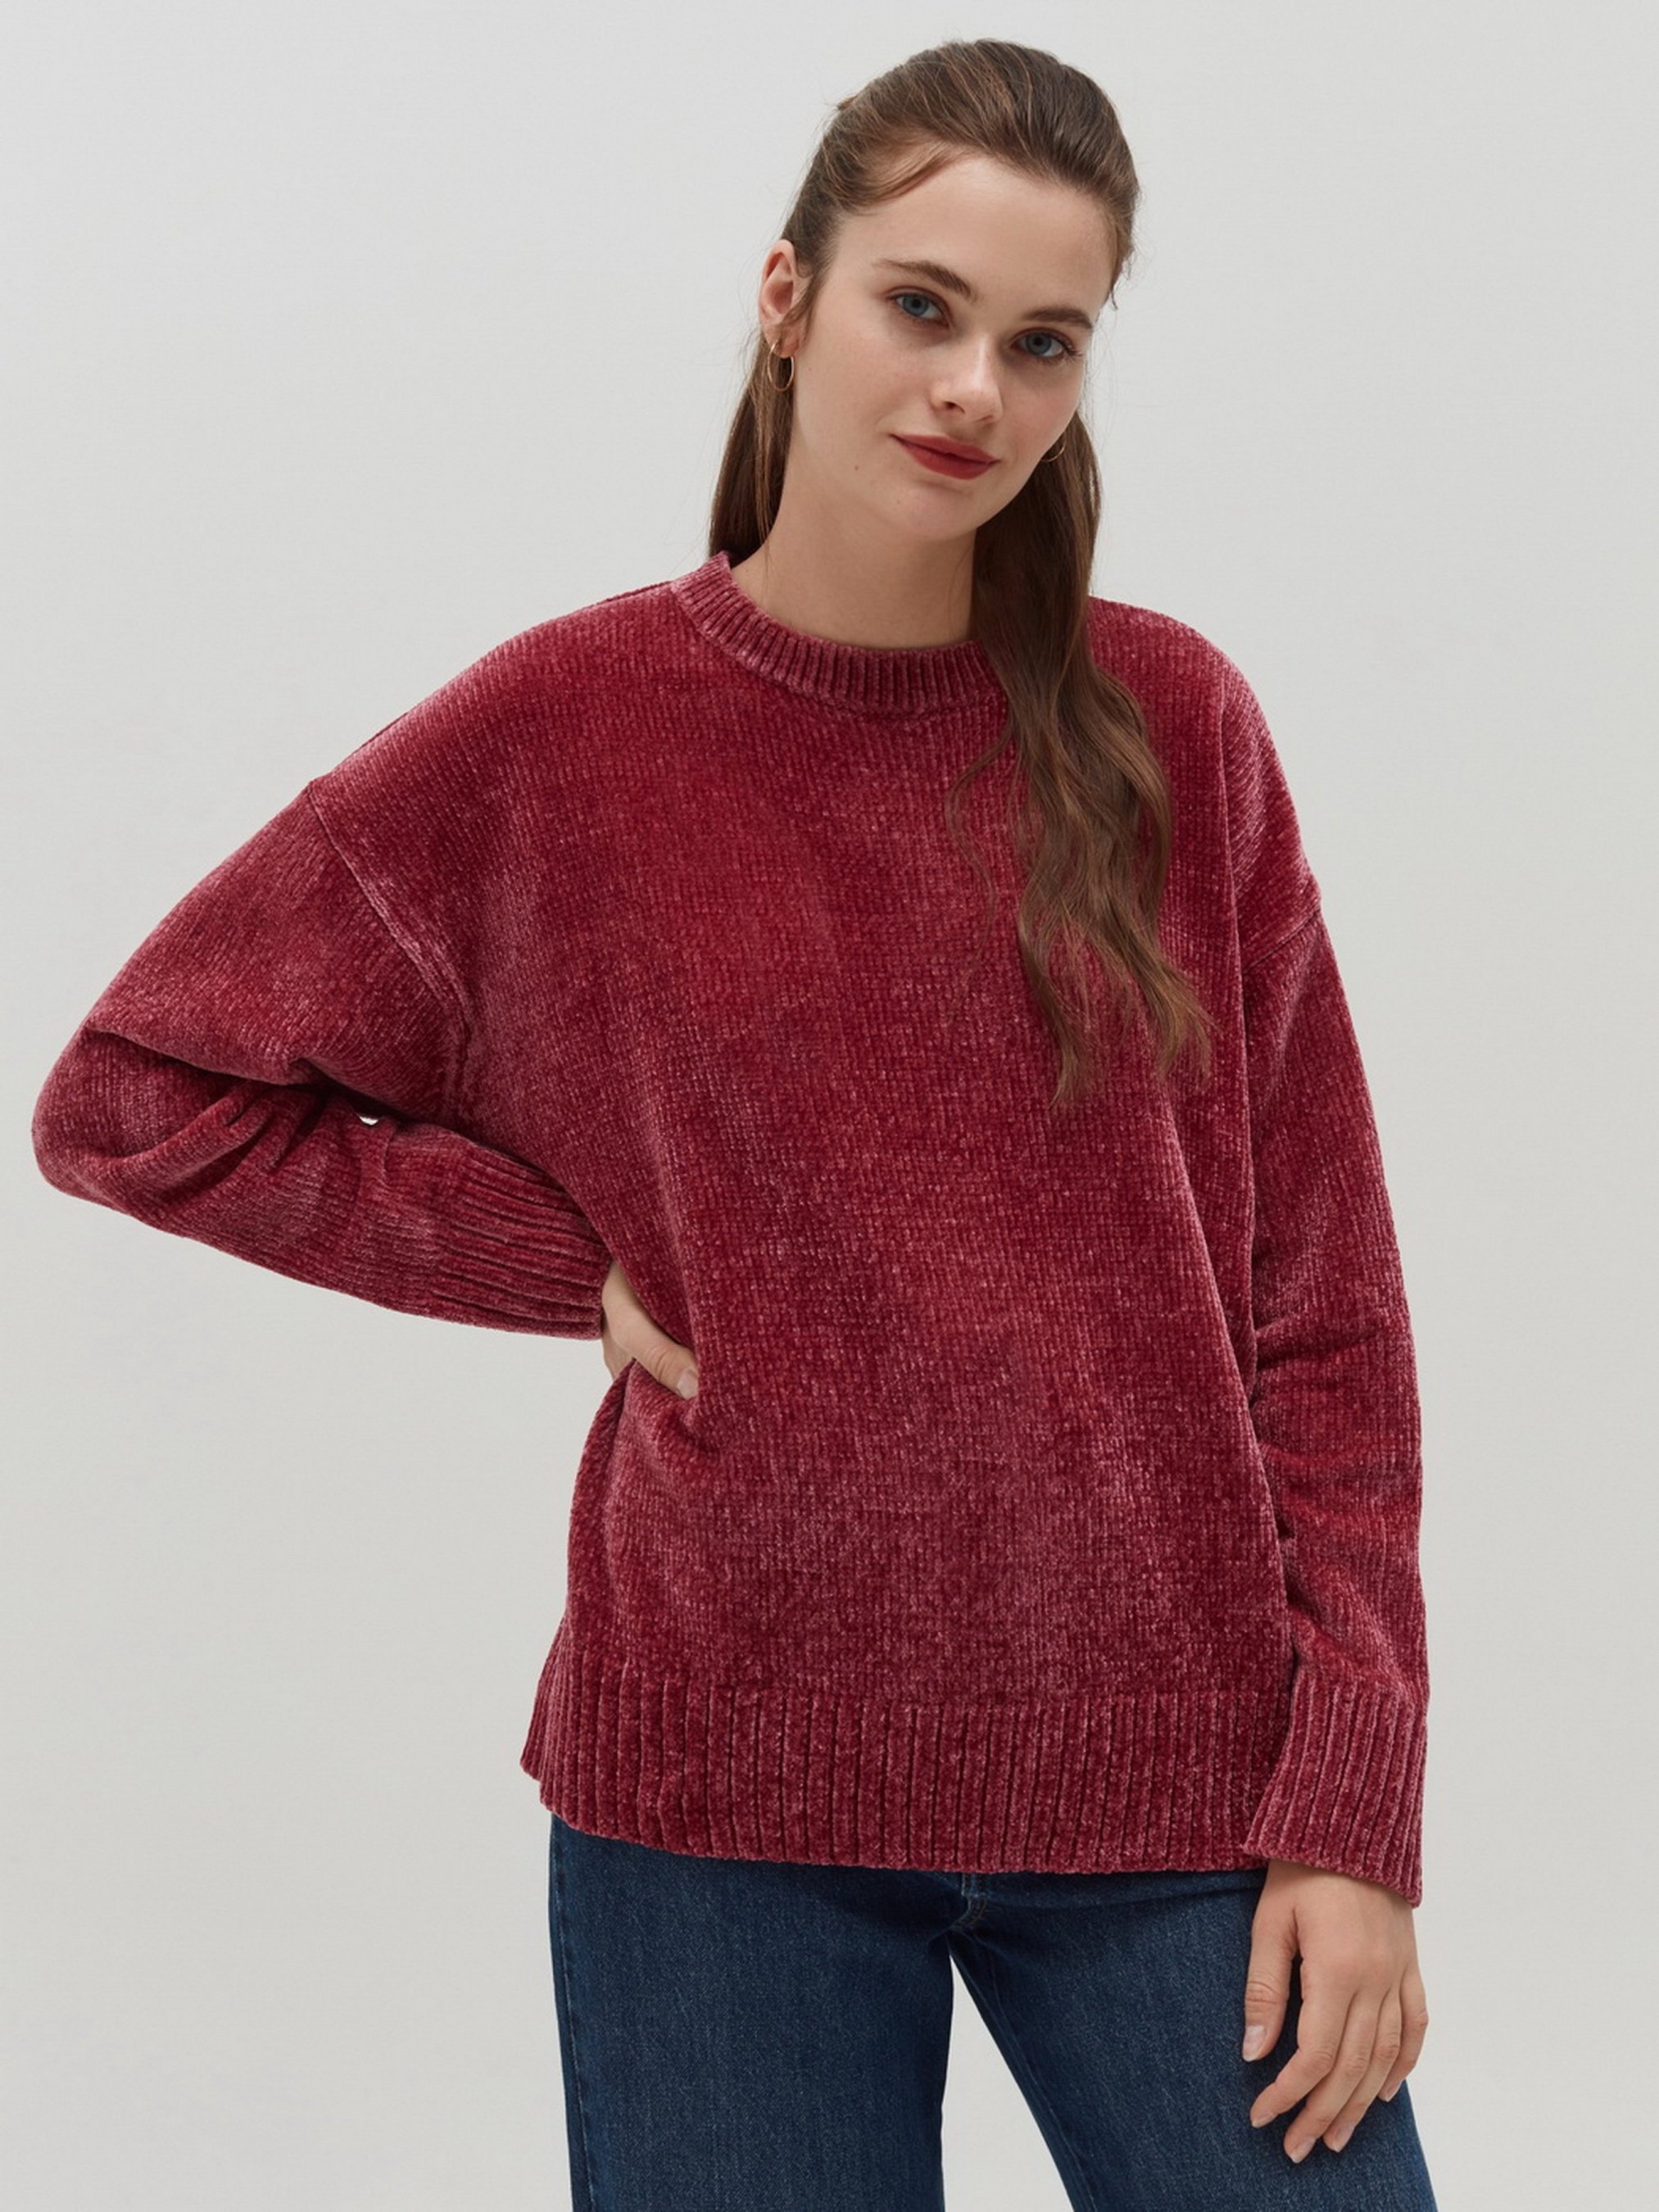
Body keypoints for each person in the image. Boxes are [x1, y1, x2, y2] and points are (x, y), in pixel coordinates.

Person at [30, 36, 1439, 2212]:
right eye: (920, 304)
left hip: (1181, 1796)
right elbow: (138, 1095)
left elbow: (1322, 1309)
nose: (972, 388)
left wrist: (1353, 1808)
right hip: (719, 1810)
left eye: (1042, 341)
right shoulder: (565, 731)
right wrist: (565, 1266)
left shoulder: (1170, 723)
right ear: (787, 296)